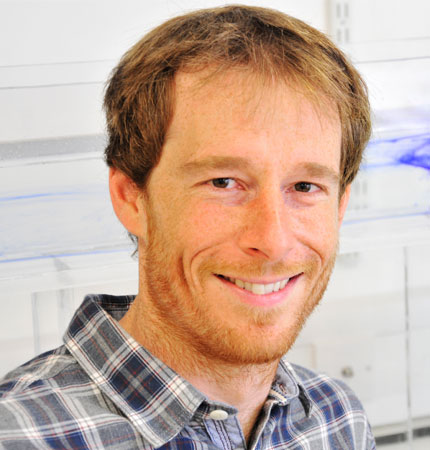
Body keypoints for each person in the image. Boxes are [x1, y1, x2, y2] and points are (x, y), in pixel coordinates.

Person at [0, 5, 374, 449]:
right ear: (130, 197)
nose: (273, 241)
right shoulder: (19, 437)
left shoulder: (337, 420)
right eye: (223, 182)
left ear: (340, 207)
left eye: (306, 186)